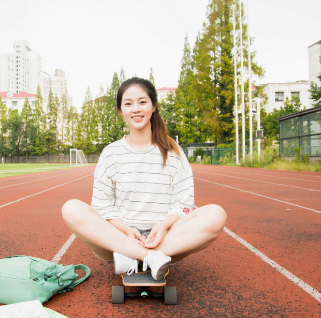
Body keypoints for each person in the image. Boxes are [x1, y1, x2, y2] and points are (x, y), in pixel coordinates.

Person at [62, 77, 227, 281]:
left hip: (166, 239)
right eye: (128, 104)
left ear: (154, 106)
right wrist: (126, 230)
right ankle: (148, 257)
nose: (136, 109)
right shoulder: (110, 153)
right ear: (121, 111)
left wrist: (163, 226)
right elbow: (102, 205)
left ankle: (135, 257)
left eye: (142, 102)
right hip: (119, 238)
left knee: (216, 215)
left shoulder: (173, 152)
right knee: (70, 208)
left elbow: (184, 202)